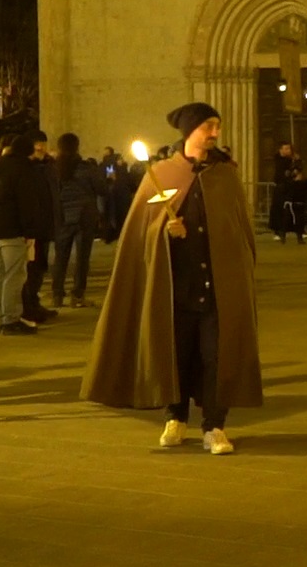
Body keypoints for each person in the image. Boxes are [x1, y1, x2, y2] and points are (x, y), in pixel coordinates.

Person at [83, 103, 262, 456]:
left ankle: (214, 426)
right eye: (208, 126)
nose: (215, 134)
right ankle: (175, 417)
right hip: (174, 287)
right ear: (189, 130)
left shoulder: (225, 174)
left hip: (216, 285)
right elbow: (139, 233)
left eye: (217, 126)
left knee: (216, 356)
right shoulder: (161, 174)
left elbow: (237, 229)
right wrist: (164, 232)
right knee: (175, 352)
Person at [0, 135, 46, 336]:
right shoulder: (22, 169)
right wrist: (30, 230)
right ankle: (10, 319)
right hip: (13, 229)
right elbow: (26, 202)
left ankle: (0, 317)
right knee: (14, 275)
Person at [49, 133, 108, 309]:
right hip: (84, 216)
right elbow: (101, 189)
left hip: (63, 216)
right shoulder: (86, 167)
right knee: (82, 257)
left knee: (61, 257)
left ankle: (57, 295)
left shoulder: (54, 169)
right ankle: (77, 295)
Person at [20, 131, 58, 325]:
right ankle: (28, 307)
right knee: (31, 268)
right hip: (33, 227)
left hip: (45, 225)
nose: (41, 148)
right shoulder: (26, 169)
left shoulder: (48, 167)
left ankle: (34, 302)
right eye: (37, 145)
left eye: (43, 143)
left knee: (40, 267)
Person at [270, 143, 304, 244]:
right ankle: (281, 234)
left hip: (292, 189)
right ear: (281, 150)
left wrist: (296, 162)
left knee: (297, 212)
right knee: (283, 213)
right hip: (282, 190)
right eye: (286, 149)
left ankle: (299, 235)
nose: (288, 150)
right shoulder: (280, 160)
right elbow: (284, 173)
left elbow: (298, 169)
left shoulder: (292, 159)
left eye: (289, 148)